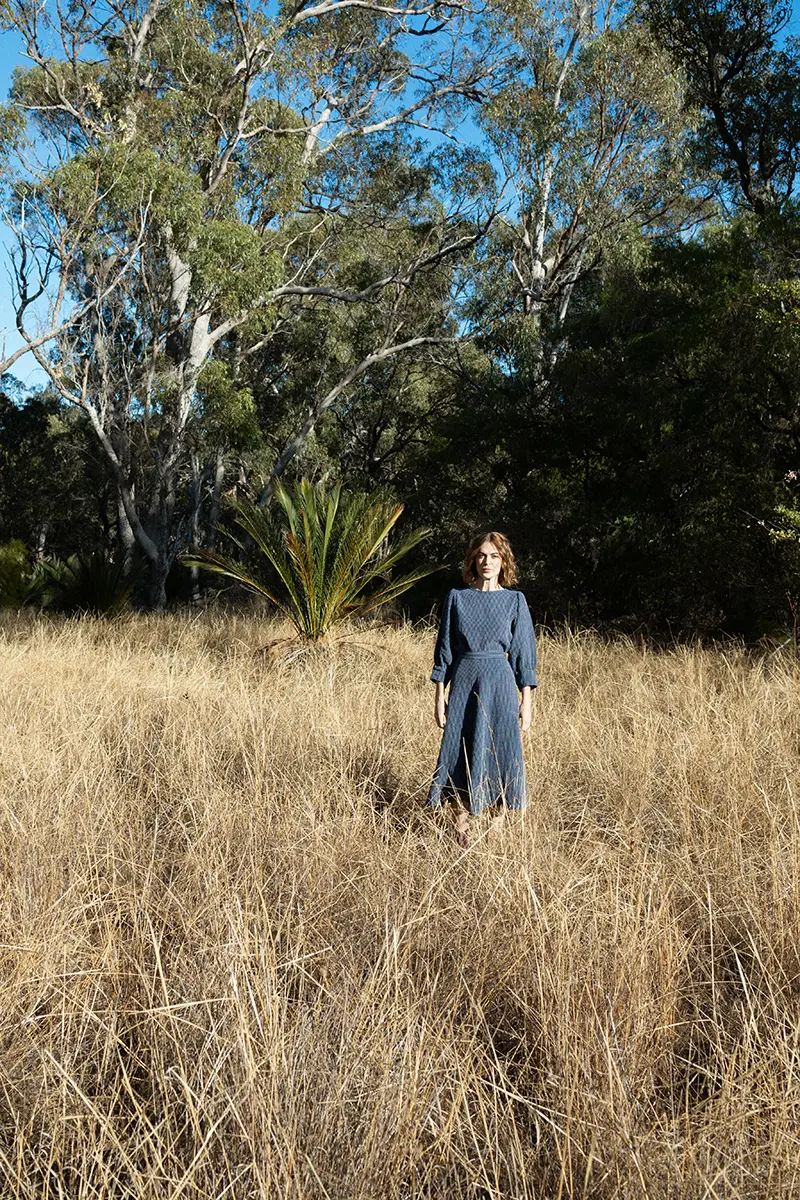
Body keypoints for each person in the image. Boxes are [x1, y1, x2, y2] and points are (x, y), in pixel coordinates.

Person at [428, 531, 537, 845]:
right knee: (461, 752)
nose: (487, 562)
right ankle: (460, 833)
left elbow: (522, 653)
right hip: (464, 680)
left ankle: (495, 835)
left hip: (501, 684)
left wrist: (525, 700)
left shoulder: (514, 601)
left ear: (503, 561)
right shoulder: (457, 598)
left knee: (502, 752)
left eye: (494, 556)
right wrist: (440, 696)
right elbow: (445, 650)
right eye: (481, 556)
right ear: (473, 560)